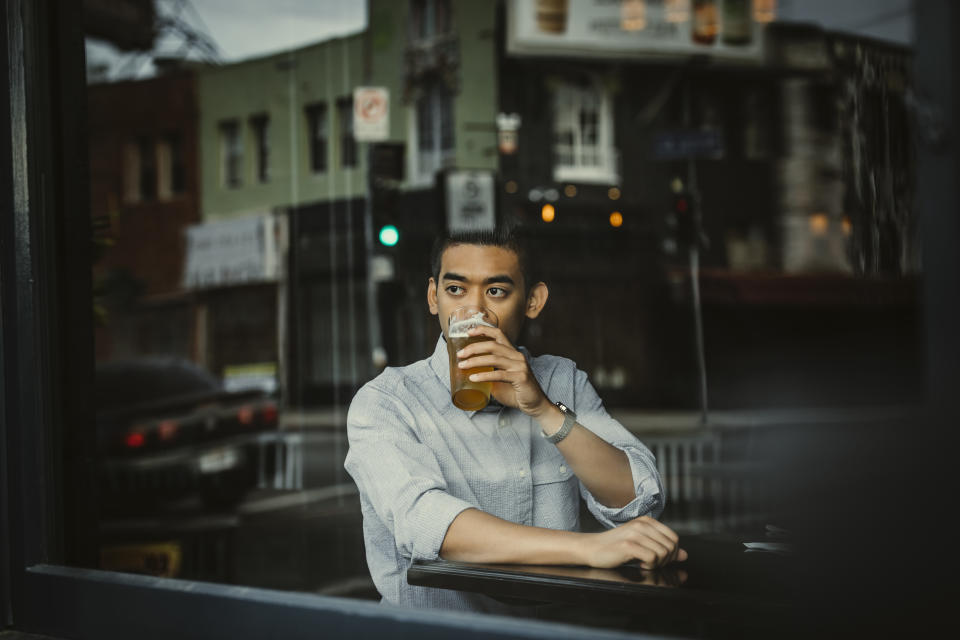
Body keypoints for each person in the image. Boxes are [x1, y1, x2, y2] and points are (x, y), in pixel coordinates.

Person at [344, 227, 686, 611]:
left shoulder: (561, 380)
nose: (474, 312)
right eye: (456, 290)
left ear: (533, 300)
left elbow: (640, 501)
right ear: (432, 297)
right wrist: (589, 548)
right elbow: (427, 523)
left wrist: (543, 409)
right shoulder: (387, 401)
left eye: (496, 292)